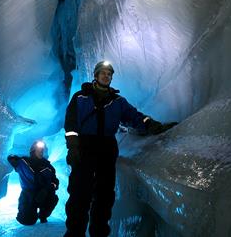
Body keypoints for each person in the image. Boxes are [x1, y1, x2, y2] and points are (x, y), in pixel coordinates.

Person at [64, 61, 177, 237]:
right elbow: (70, 124)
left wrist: (152, 125)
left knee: (104, 195)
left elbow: (134, 117)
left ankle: (99, 232)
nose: (106, 76)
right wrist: (72, 147)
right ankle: (74, 232)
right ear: (96, 75)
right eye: (103, 73)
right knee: (80, 193)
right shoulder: (80, 97)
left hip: (107, 148)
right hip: (84, 148)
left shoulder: (118, 101)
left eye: (109, 74)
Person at [7, 141, 59, 225]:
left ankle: (43, 215)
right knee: (27, 221)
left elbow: (55, 181)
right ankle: (27, 214)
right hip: (28, 194)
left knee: (52, 198)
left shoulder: (48, 166)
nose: (41, 152)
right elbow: (10, 158)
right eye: (39, 150)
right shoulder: (24, 162)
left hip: (43, 193)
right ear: (33, 151)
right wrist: (13, 157)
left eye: (42, 150)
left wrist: (47, 189)